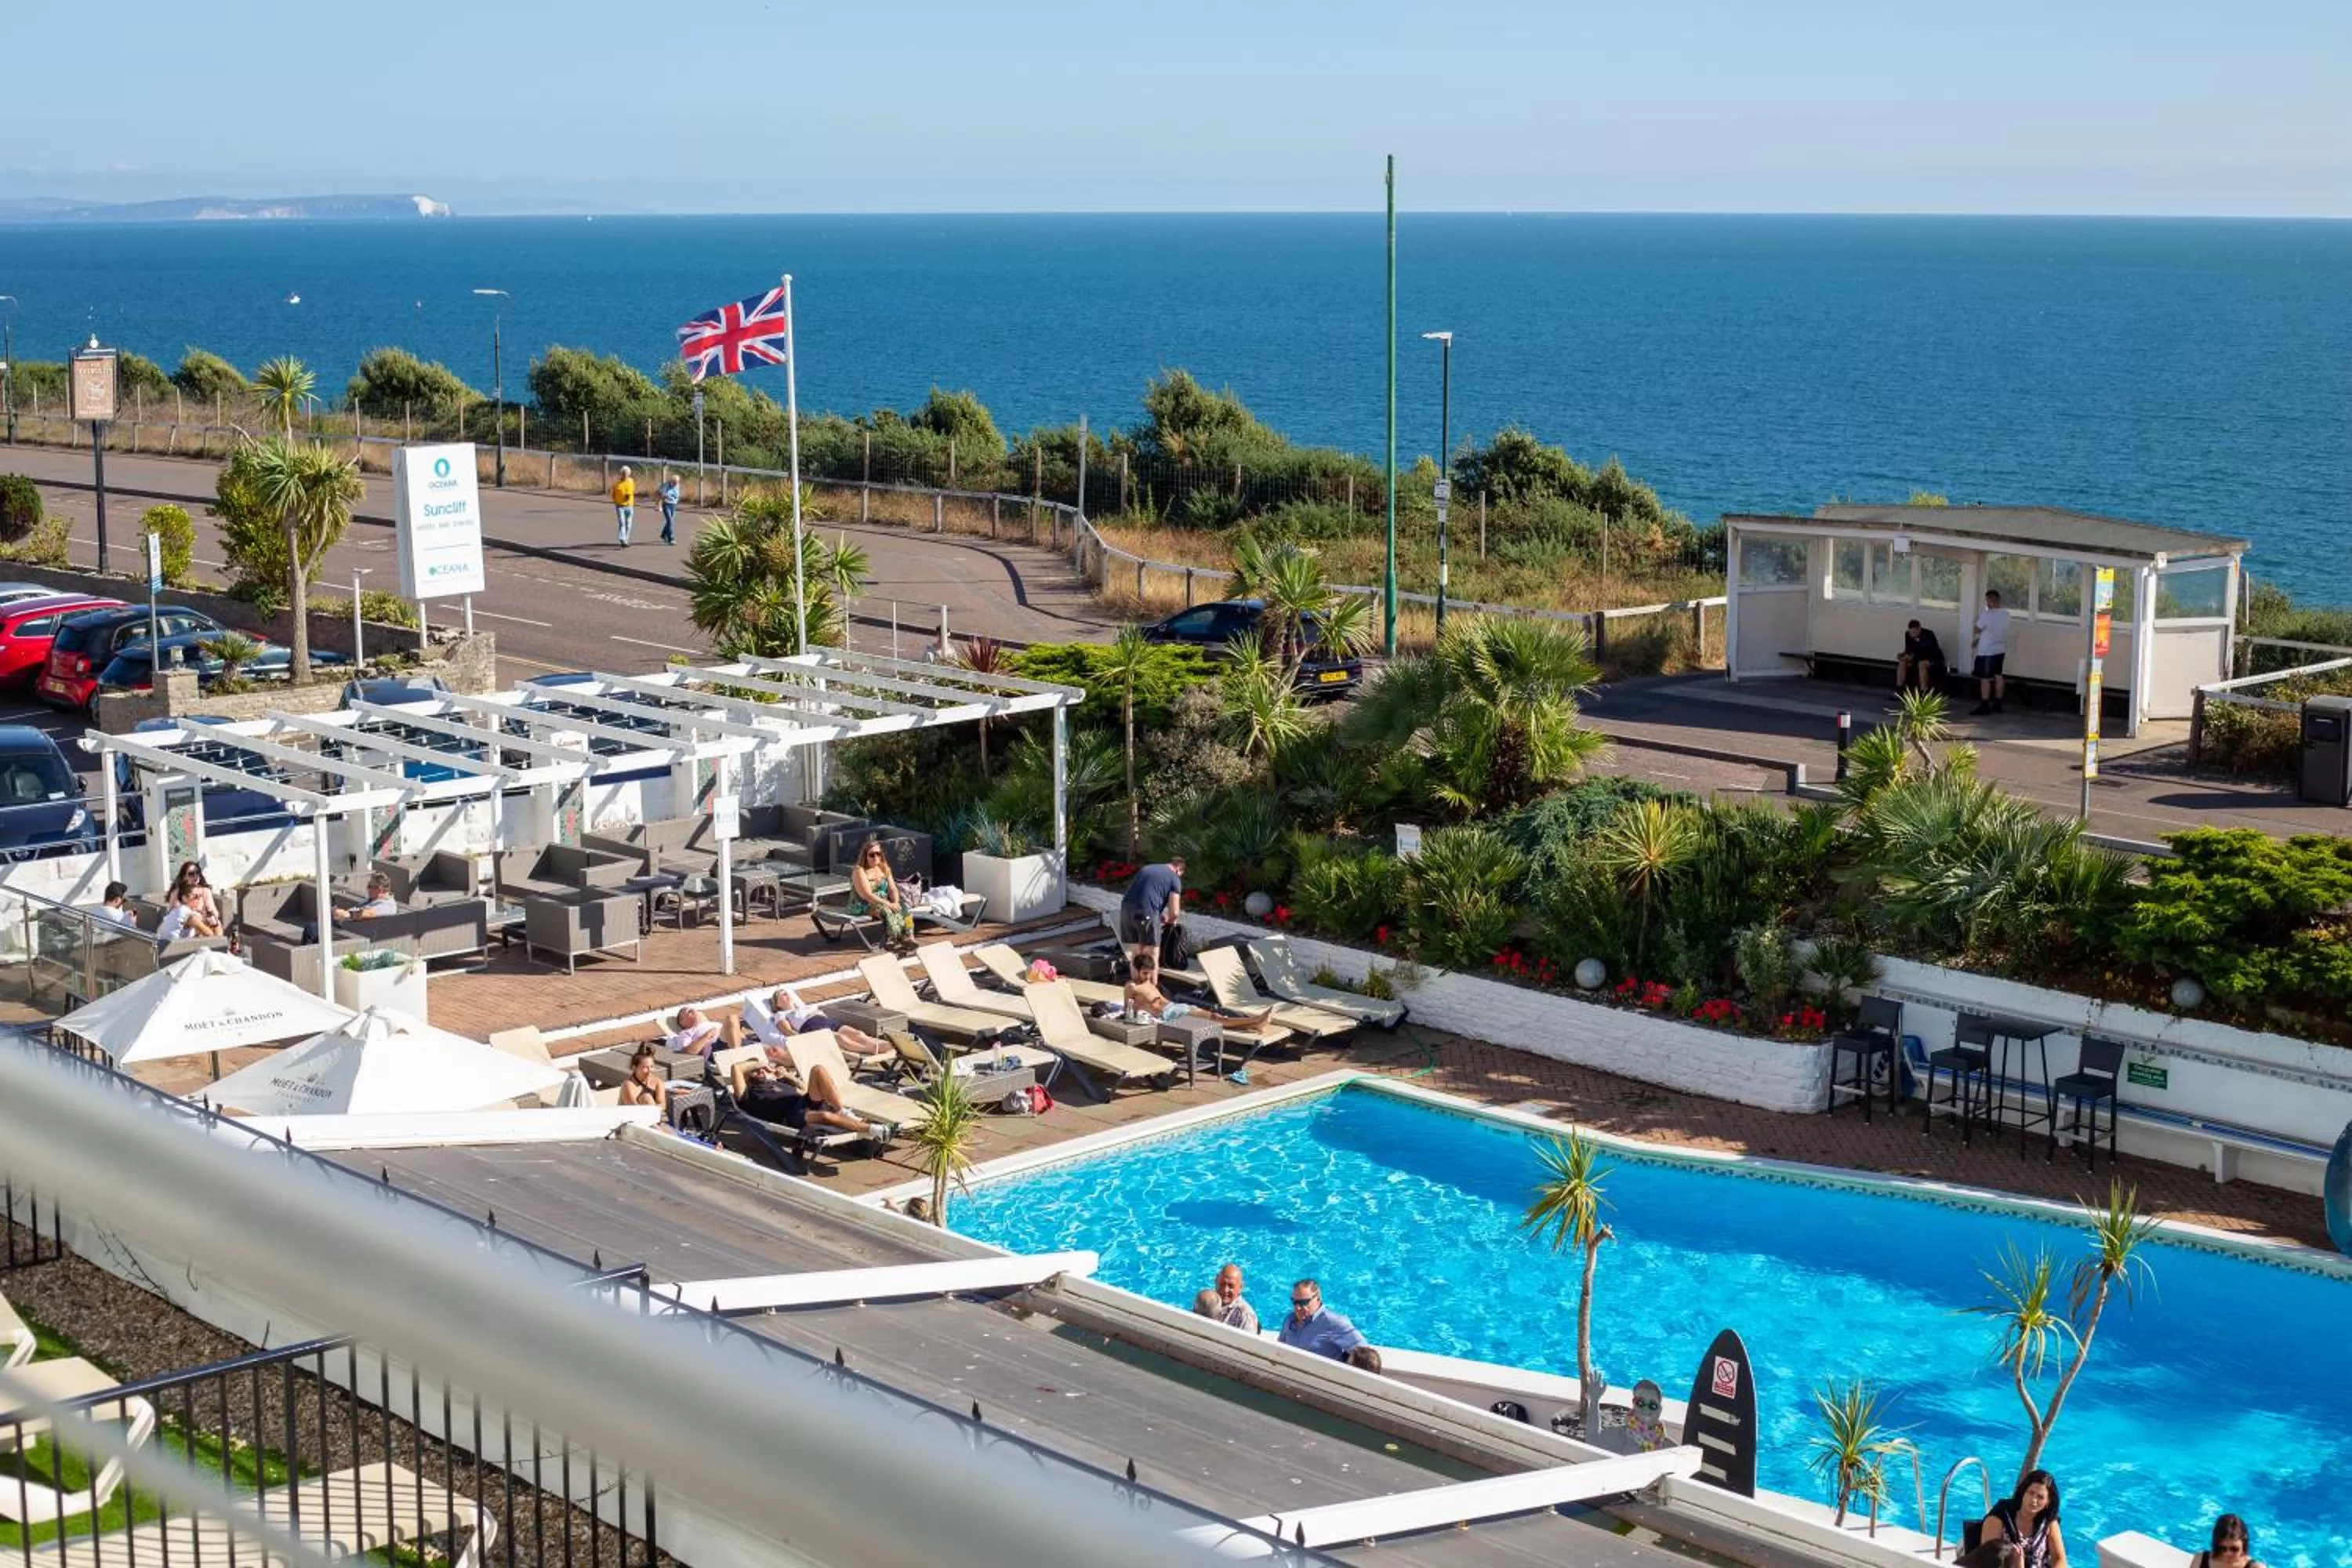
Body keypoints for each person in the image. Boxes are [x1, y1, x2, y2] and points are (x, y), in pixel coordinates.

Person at [731, 1054, 889, 1142]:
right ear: (746, 1076)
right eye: (755, 1071)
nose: (760, 1072)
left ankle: (842, 1112)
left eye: (761, 1070)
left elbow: (804, 1089)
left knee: (818, 1070)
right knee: (825, 1116)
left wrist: (786, 1075)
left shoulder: (778, 1082)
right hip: (790, 1115)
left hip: (803, 1101)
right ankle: (873, 1130)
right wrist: (761, 1064)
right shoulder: (746, 1093)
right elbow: (736, 1068)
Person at [1125, 953, 1275, 1037]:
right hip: (1168, 1015)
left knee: (1215, 1018)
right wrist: (1140, 1011)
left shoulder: (1149, 982)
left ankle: (1255, 1024)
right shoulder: (1132, 986)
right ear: (1136, 970)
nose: (1148, 976)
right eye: (1145, 973)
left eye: (1150, 973)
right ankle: (1256, 1020)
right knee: (1216, 1018)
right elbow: (1127, 1011)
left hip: (1175, 1008)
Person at [1966, 1469, 2066, 1568]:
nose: (2034, 1500)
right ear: (2023, 1492)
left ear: (2048, 1502)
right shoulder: (2000, 1516)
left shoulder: (2048, 1521)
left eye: (2040, 1497)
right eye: (2031, 1493)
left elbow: (2059, 1559)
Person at [759, 985, 889, 1061]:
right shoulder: (780, 1015)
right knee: (841, 1039)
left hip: (825, 1021)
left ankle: (883, 1045)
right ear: (777, 1004)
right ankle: (872, 1050)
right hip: (811, 1027)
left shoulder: (802, 1007)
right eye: (782, 995)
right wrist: (803, 1040)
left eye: (787, 993)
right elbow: (787, 1031)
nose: (787, 995)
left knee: (857, 1033)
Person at [848, 837, 915, 955]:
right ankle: (894, 938)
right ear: (865, 856)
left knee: (904, 910)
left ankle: (909, 936)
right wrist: (889, 904)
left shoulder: (884, 868)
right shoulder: (860, 871)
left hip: (882, 901)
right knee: (887, 911)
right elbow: (867, 895)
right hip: (863, 904)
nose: (876, 857)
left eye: (878, 854)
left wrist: (895, 902)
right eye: (872, 855)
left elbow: (893, 888)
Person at [1276, 1279, 1368, 1362]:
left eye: (1303, 1302)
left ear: (1318, 1299)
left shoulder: (1333, 1323)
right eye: (1294, 1302)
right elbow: (1280, 1349)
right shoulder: (1289, 1319)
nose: (1298, 1307)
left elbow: (1366, 1354)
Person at [1118, 857, 1185, 964]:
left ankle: (1135, 980)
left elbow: (1143, 894)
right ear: (1179, 869)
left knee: (1136, 954)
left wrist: (1157, 915)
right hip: (1146, 914)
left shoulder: (1147, 868)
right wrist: (1171, 921)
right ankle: (1152, 982)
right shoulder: (1174, 877)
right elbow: (1174, 913)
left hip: (1127, 911)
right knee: (1151, 955)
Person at [1971, 589, 2012, 717]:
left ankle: (1984, 705)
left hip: (1986, 651)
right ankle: (1998, 703)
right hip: (2000, 649)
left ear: (1990, 600)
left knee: (1985, 678)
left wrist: (1979, 637)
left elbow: (1976, 629)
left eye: (1988, 600)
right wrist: (1980, 639)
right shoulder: (2006, 614)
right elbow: (1994, 631)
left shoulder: (1987, 615)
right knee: (1998, 676)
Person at [1191, 1264, 1258, 1331]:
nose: (1225, 1290)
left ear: (1240, 1287)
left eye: (1231, 1286)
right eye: (1222, 1284)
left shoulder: (1245, 1316)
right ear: (1216, 1281)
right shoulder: (1208, 1301)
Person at [666, 1005, 739, 1060]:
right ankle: (738, 1054)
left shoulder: (712, 1023)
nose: (695, 1011)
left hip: (735, 1043)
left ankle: (739, 1051)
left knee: (733, 1018)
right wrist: (707, 1036)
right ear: (682, 1021)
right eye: (690, 1011)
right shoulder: (686, 1033)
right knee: (731, 1018)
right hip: (718, 1049)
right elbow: (687, 1052)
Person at [2190, 1515, 2263, 1568]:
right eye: (2222, 1548)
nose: (2228, 1554)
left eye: (2234, 1549)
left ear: (2243, 1546)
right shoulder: (2200, 1560)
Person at [1896, 619, 1946, 695]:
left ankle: (1923, 691)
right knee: (1902, 662)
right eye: (1911, 632)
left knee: (1922, 664)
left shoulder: (1929, 635)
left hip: (1932, 659)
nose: (1913, 634)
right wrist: (1904, 655)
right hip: (1916, 659)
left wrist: (1913, 656)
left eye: (1915, 632)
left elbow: (1930, 652)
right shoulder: (1908, 635)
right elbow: (1909, 649)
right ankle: (1900, 689)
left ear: (1919, 629)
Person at [170, 861, 223, 930]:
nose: (195, 876)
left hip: (203, 922)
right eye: (191, 874)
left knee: (217, 925)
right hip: (185, 926)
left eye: (197, 873)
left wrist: (213, 916)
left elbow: (212, 908)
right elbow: (174, 911)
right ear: (184, 877)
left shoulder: (205, 890)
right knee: (193, 920)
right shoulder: (177, 892)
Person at [617, 1047, 668, 1112]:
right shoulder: (628, 1085)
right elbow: (633, 1109)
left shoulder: (657, 1082)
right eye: (645, 1067)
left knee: (647, 1098)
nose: (650, 1070)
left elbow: (663, 1105)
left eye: (651, 1067)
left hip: (652, 1116)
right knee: (646, 1098)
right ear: (634, 1068)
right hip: (629, 1118)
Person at [612, 464, 637, 546]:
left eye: (627, 474)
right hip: (620, 506)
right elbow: (613, 494)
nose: (625, 475)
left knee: (628, 524)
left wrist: (628, 495)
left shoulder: (631, 481)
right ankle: (622, 538)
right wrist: (616, 501)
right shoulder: (617, 484)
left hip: (629, 506)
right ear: (621, 474)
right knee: (622, 522)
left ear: (629, 474)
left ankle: (625, 540)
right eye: (623, 474)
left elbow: (631, 491)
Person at [658, 470, 681, 546]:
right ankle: (671, 538)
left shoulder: (677, 486)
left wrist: (676, 499)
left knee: (670, 521)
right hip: (666, 504)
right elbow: (661, 493)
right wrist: (665, 497)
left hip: (673, 505)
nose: (675, 484)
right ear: (672, 481)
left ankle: (663, 534)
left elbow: (677, 495)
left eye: (677, 482)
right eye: (674, 482)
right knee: (670, 521)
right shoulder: (666, 485)